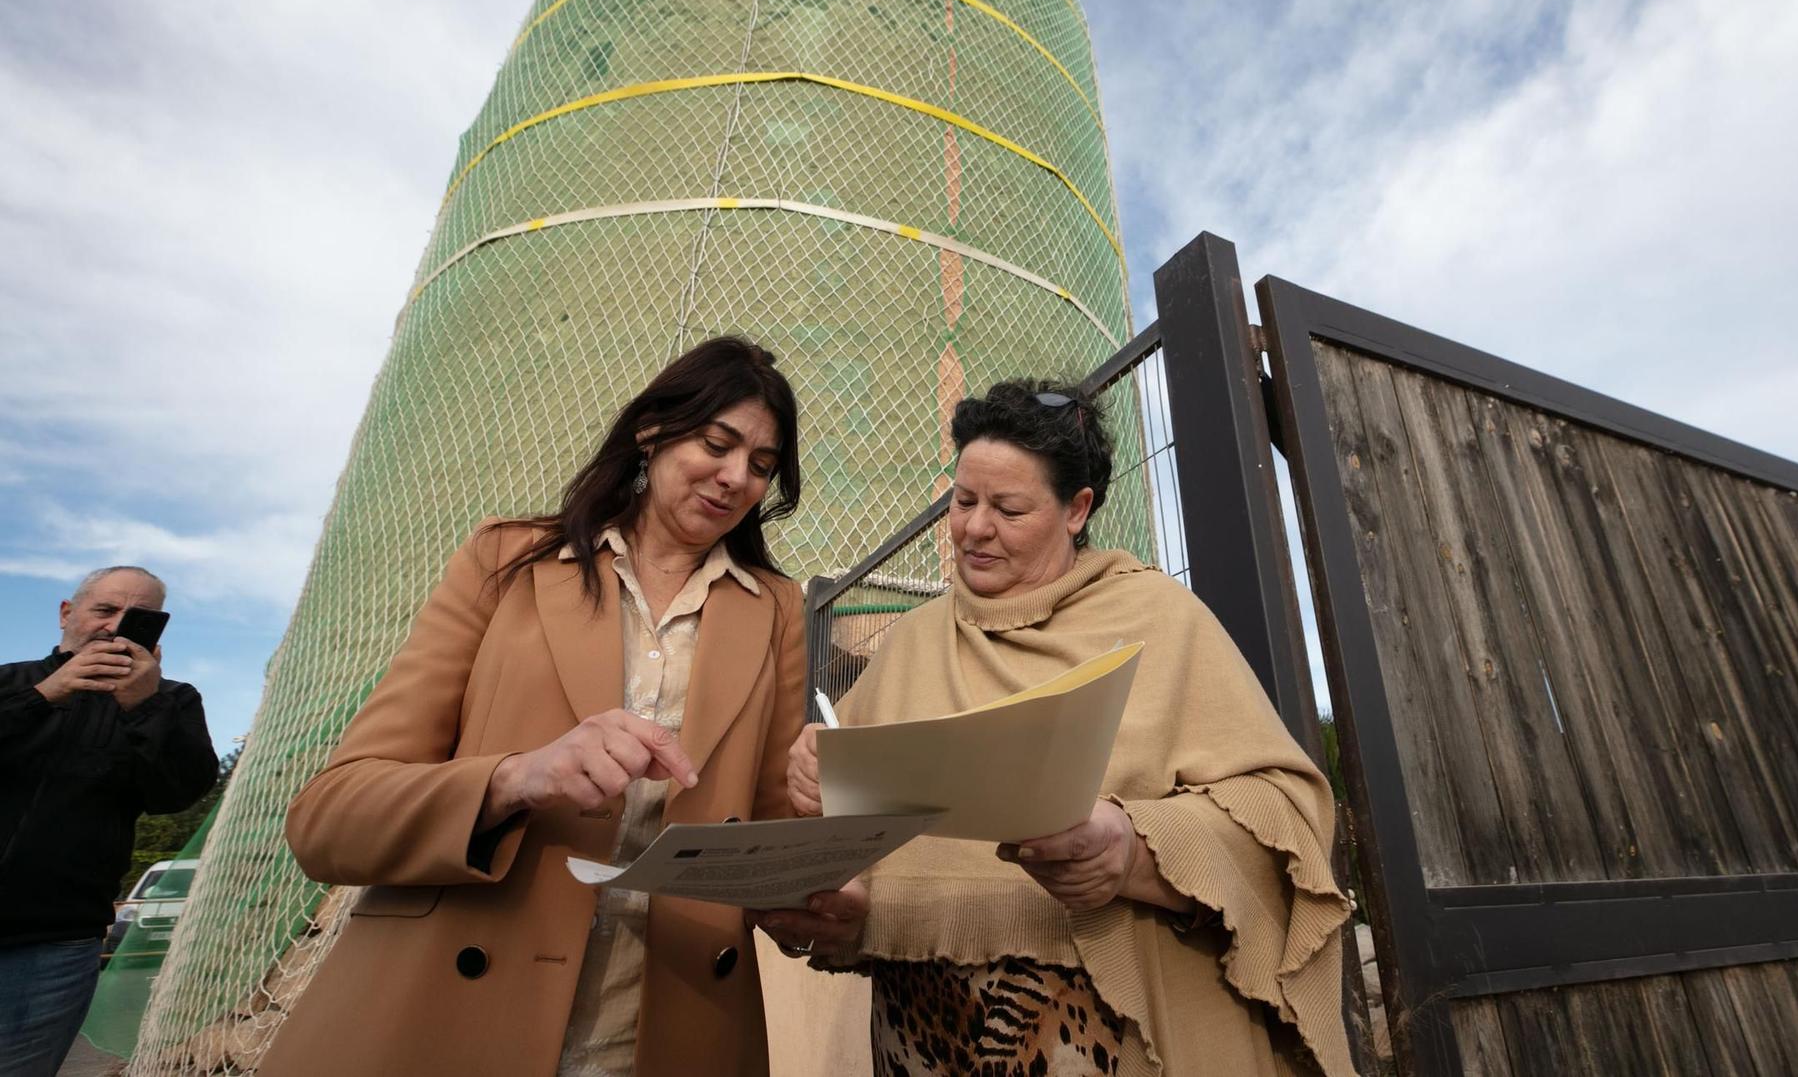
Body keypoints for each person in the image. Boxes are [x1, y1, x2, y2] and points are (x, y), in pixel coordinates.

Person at [763, 380, 1359, 1077]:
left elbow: (1285, 812)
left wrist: (1134, 850)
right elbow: (857, 838)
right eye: (962, 501)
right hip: (915, 1028)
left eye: (1008, 507)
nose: (973, 528)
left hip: (1107, 1023)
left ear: (1078, 509)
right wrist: (816, 785)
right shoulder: (913, 642)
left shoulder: (1159, 619)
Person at [261, 337, 807, 1077]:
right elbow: (329, 817)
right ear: (651, 431)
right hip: (449, 1016)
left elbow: (772, 832)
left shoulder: (775, 607)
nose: (737, 477)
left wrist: (817, 896)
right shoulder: (504, 559)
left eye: (762, 465)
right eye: (717, 442)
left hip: (659, 1032)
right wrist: (518, 777)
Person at [0, 566, 218, 1077]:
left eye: (139, 619)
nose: (116, 627)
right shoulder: (9, 681)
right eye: (105, 610)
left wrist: (143, 707)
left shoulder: (173, 701)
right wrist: (42, 696)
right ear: (66, 613)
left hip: (52, 944)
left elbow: (177, 793)